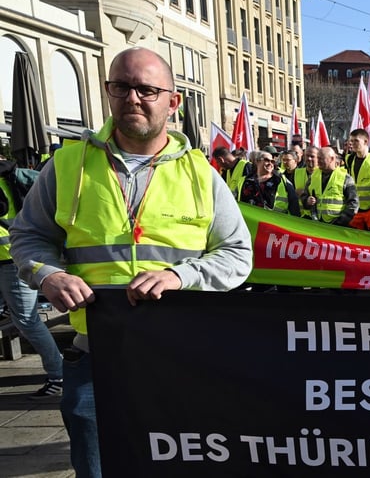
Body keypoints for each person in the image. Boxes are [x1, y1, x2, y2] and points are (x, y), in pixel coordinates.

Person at [9, 47, 253, 477]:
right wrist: (48, 274)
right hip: (96, 351)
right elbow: (28, 237)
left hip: (180, 349)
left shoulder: (201, 172)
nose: (133, 98)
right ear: (108, 92)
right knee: (97, 459)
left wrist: (181, 275)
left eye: (146, 89)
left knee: (185, 457)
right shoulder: (68, 164)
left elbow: (237, 254)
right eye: (120, 86)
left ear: (173, 102)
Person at [0, 160, 63, 398]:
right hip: (11, 258)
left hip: (13, 260)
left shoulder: (8, 180)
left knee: (27, 320)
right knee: (23, 319)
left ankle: (59, 374)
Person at [304, 147, 358, 226]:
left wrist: (341, 222)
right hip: (317, 223)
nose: (318, 161)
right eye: (317, 158)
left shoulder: (345, 178)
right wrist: (307, 201)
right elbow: (305, 196)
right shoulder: (313, 176)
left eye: (321, 158)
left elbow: (353, 203)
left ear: (332, 159)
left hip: (338, 226)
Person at [238, 150, 300, 216]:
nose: (270, 163)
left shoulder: (281, 180)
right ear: (257, 161)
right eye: (266, 160)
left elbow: (294, 205)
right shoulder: (245, 180)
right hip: (250, 222)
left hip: (274, 222)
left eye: (272, 161)